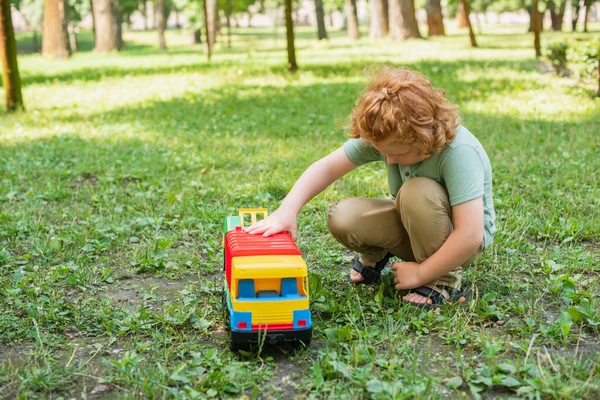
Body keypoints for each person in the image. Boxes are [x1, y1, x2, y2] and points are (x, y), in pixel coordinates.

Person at [247, 67, 496, 308]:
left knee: (416, 192)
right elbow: (326, 168)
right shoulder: (391, 136)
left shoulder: (459, 152)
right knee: (344, 217)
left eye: (397, 155)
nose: (389, 160)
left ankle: (443, 280)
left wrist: (421, 273)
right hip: (414, 223)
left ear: (421, 138)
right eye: (384, 153)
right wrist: (288, 210)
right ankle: (378, 256)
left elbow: (469, 236)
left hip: (459, 244)